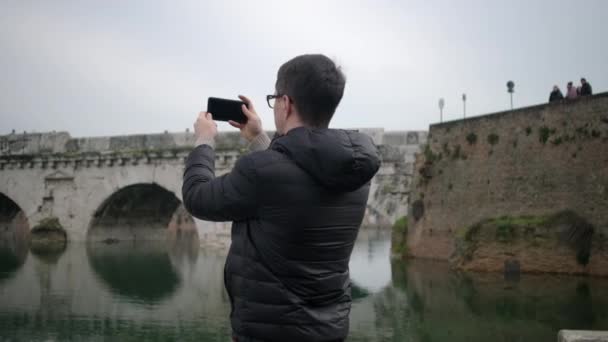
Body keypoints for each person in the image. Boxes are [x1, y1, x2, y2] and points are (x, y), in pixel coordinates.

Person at [182, 54, 381, 342]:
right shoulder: (356, 171)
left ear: (286, 104)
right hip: (328, 331)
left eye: (274, 98)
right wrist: (258, 138)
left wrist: (204, 140)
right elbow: (291, 179)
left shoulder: (260, 173)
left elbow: (197, 197)